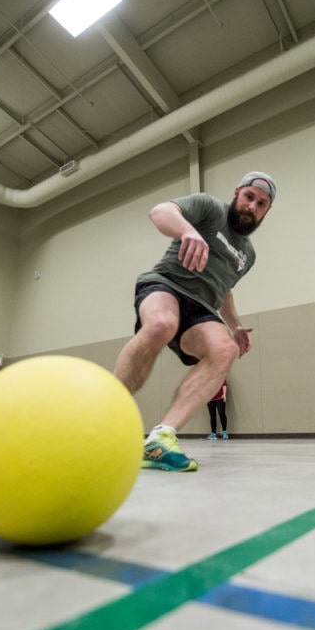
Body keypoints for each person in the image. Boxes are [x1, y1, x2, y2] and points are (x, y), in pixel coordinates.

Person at [114, 171, 277, 471]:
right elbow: (160, 212)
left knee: (225, 350)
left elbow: (224, 288)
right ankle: (106, 407)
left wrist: (235, 326)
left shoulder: (248, 255)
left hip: (202, 309)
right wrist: (187, 231)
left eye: (261, 204)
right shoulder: (209, 208)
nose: (252, 206)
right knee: (162, 324)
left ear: (266, 211)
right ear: (237, 193)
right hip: (165, 285)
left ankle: (160, 439)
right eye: (249, 197)